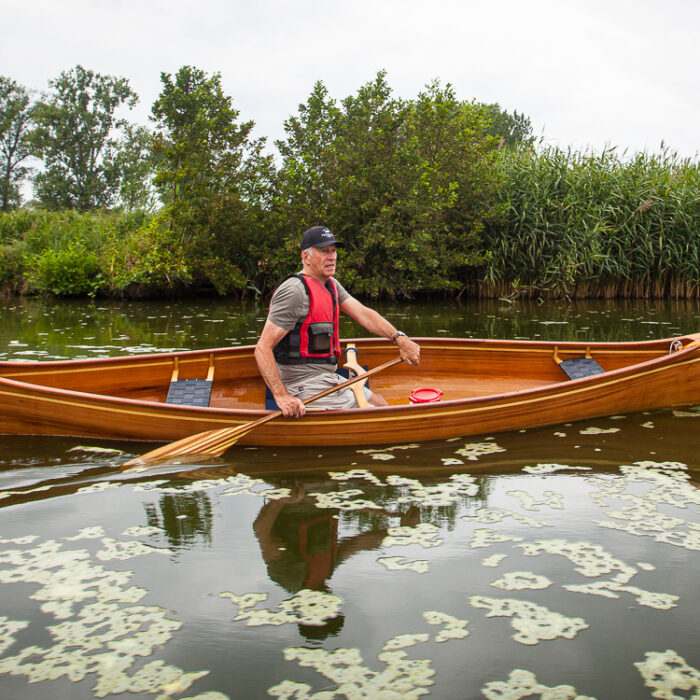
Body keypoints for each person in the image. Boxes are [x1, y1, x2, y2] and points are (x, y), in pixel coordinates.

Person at [254, 226, 420, 417]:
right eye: (324, 251)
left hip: (327, 378)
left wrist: (399, 338)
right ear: (306, 257)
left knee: (380, 403)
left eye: (333, 251)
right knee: (377, 415)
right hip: (302, 384)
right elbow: (262, 348)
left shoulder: (331, 284)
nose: (332, 256)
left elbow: (364, 314)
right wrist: (282, 396)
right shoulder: (294, 291)